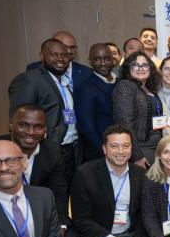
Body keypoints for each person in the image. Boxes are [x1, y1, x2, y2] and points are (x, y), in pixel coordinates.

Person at [0, 104, 80, 237]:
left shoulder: (53, 151)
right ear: (11, 126)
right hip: (0, 215)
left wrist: (61, 224)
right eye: (23, 125)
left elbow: (59, 191)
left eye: (38, 127)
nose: (30, 133)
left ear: (45, 130)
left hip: (35, 212)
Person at [71, 125, 158, 237]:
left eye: (126, 146)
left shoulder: (140, 175)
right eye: (114, 146)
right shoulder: (84, 174)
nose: (121, 151)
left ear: (132, 148)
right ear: (104, 149)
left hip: (128, 234)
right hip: (98, 236)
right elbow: (81, 219)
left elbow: (143, 214)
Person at [9, 39, 82, 187]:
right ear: (42, 56)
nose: (61, 59)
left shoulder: (61, 82)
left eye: (64, 55)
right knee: (46, 196)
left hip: (70, 150)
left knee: (64, 193)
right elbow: (19, 120)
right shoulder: (30, 79)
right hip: (47, 149)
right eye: (54, 54)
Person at [112, 51, 163, 168]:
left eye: (145, 65)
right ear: (128, 68)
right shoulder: (125, 86)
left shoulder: (149, 89)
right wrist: (137, 155)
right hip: (141, 148)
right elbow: (125, 124)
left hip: (157, 147)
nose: (141, 68)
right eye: (135, 65)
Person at [75, 43, 116, 162]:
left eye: (106, 59)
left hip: (120, 149)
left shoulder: (120, 83)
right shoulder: (86, 88)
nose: (102, 63)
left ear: (113, 60)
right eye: (97, 59)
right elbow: (87, 128)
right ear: (90, 62)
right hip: (99, 154)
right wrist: (105, 151)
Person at [26, 30, 93, 92]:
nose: (69, 51)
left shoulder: (87, 72)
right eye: (65, 47)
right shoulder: (34, 69)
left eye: (72, 47)